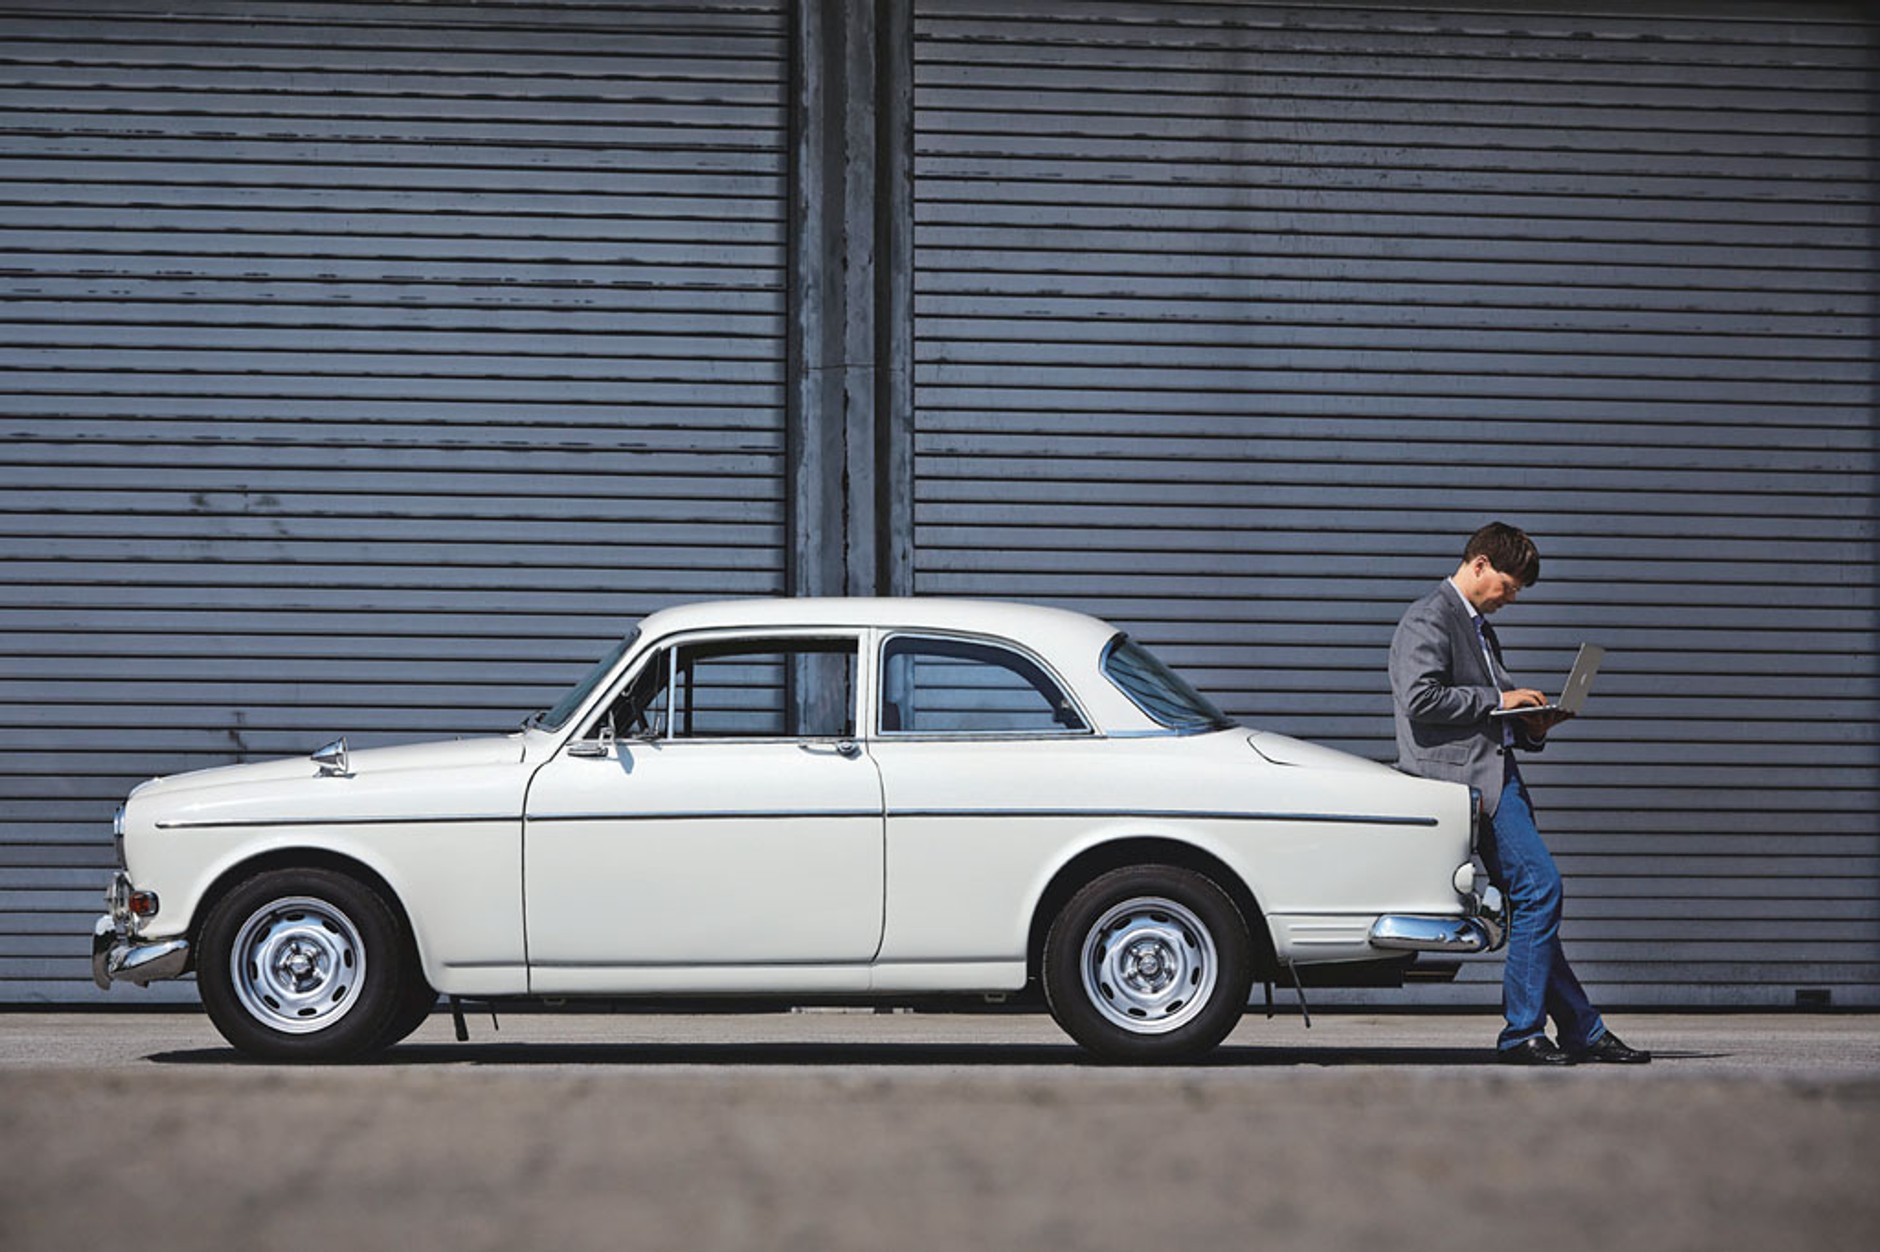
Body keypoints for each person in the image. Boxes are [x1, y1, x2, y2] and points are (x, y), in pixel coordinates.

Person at [1389, 522, 1650, 1066]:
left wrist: (1531, 724)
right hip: (1465, 786)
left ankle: (1582, 1028)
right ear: (1479, 564)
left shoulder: (1478, 626)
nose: (1510, 599)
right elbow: (1420, 699)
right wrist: (1500, 701)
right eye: (1507, 586)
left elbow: (1484, 710)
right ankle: (1522, 1035)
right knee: (1540, 890)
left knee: (1534, 903)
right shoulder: (1429, 617)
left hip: (1498, 776)